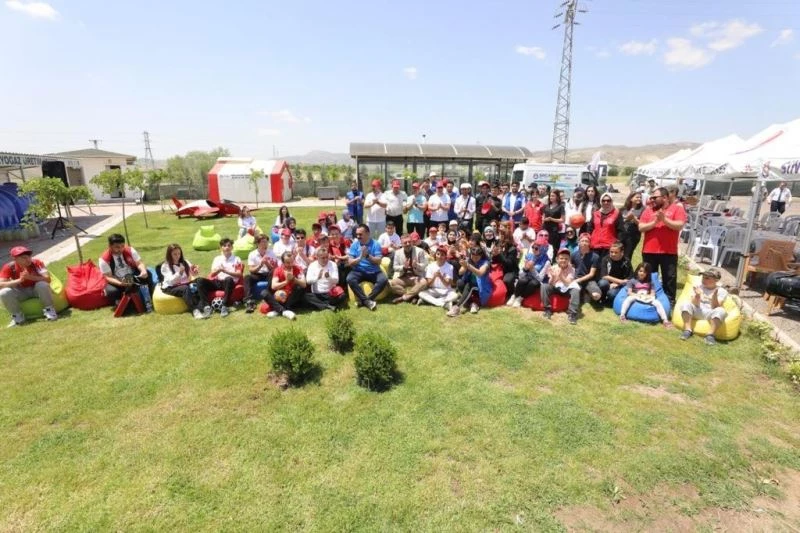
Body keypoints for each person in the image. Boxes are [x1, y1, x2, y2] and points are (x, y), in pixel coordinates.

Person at [638, 186, 686, 306]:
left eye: (655, 197)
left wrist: (664, 219)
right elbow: (641, 227)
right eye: (651, 197)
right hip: (649, 250)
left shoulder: (677, 209)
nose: (652, 199)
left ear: (664, 197)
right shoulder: (648, 210)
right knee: (649, 277)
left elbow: (679, 225)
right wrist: (655, 222)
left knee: (669, 278)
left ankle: (669, 302)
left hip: (668, 251)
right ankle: (649, 299)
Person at [0, 246, 57, 326]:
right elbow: (1, 284)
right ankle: (18, 317)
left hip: (36, 290)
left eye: (29, 256)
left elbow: (48, 279)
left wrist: (30, 277)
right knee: (4, 292)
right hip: (21, 291)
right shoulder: (9, 267)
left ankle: (50, 311)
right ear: (15, 259)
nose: (28, 259)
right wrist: (19, 280)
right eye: (24, 258)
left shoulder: (37, 263)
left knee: (42, 284)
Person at [99, 233, 153, 312]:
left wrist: (143, 271)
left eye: (122, 246)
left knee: (148, 274)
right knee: (111, 291)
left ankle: (150, 296)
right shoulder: (104, 259)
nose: (120, 249)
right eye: (117, 247)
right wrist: (121, 283)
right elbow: (108, 277)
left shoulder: (130, 250)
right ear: (110, 246)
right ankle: (122, 302)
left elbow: (139, 263)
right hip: (118, 280)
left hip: (132, 276)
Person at [159, 243, 212, 319]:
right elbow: (171, 281)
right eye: (175, 254)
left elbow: (193, 273)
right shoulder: (165, 266)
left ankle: (205, 306)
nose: (177, 256)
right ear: (169, 255)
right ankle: (195, 311)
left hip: (185, 283)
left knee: (200, 281)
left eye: (179, 253)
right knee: (185, 288)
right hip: (171, 287)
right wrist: (180, 273)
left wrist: (195, 270)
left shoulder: (185, 262)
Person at [679, 268, 728, 345]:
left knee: (721, 311)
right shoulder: (698, 286)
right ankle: (687, 330)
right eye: (703, 277)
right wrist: (697, 295)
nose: (704, 280)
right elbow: (694, 303)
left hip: (710, 313)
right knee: (685, 304)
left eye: (707, 278)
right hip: (698, 310)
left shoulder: (721, 291)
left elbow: (715, 307)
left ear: (716, 280)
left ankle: (710, 335)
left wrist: (714, 296)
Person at [346, 224, 388, 310]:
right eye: (357, 234)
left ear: (368, 233)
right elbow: (350, 262)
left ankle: (365, 300)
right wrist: (360, 257)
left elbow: (378, 261)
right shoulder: (354, 244)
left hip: (374, 271)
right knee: (350, 279)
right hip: (359, 271)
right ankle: (367, 301)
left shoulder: (376, 244)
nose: (358, 236)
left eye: (360, 234)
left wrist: (368, 256)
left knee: (383, 280)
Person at [619, 262, 671, 327]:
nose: (642, 273)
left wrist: (648, 296)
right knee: (628, 299)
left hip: (646, 297)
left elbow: (653, 293)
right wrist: (637, 295)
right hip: (636, 296)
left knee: (657, 303)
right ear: (637, 271)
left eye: (644, 272)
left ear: (647, 273)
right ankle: (622, 315)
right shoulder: (632, 281)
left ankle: (665, 320)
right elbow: (629, 292)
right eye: (640, 271)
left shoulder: (650, 282)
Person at [541, 248, 581, 324]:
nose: (563, 260)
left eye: (566, 258)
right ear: (557, 259)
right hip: (556, 287)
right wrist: (553, 277)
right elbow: (551, 284)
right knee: (544, 286)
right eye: (561, 258)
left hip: (566, 288)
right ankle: (547, 310)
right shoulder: (553, 268)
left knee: (575, 290)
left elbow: (568, 283)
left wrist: (560, 275)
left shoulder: (572, 269)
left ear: (569, 260)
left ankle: (572, 314)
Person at [448, 246, 491, 317]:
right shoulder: (469, 260)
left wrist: (468, 266)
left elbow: (480, 273)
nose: (474, 259)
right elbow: (460, 272)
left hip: (481, 287)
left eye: (476, 257)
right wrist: (464, 266)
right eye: (473, 257)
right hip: (469, 284)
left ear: (481, 256)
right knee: (459, 282)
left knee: (469, 285)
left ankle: (457, 307)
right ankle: (473, 304)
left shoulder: (485, 262)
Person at [263, 251, 306, 320]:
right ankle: (284, 311)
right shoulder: (278, 270)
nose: (290, 264)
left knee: (300, 288)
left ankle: (278, 310)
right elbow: (273, 286)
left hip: (291, 297)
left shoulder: (298, 268)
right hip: (279, 296)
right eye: (288, 263)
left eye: (292, 262)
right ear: (283, 262)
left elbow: (304, 284)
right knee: (264, 293)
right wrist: (286, 282)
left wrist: (294, 279)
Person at [507, 240, 550, 307]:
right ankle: (514, 295)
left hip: (537, 280)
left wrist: (532, 269)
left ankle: (520, 298)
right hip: (527, 277)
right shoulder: (529, 256)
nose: (534, 250)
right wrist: (525, 269)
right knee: (522, 280)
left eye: (536, 248)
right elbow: (520, 275)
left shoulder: (546, 261)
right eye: (533, 247)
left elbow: (540, 279)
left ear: (543, 249)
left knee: (533, 283)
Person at [208, 237, 242, 317]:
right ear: (221, 248)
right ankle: (206, 306)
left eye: (229, 245)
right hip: (218, 282)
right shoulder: (217, 259)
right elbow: (212, 274)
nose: (227, 247)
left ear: (232, 247)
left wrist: (225, 271)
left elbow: (239, 274)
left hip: (230, 283)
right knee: (200, 281)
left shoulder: (236, 259)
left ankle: (224, 306)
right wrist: (219, 270)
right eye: (224, 246)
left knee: (228, 279)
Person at [389, 233, 428, 303]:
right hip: (404, 276)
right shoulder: (397, 253)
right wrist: (403, 267)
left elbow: (424, 266)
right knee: (392, 283)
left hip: (416, 276)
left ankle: (404, 297)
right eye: (405, 242)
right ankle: (413, 296)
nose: (408, 244)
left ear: (412, 242)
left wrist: (416, 265)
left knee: (424, 282)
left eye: (409, 242)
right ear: (401, 244)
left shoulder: (420, 251)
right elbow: (395, 267)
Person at [244, 235, 278, 313]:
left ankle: (268, 296)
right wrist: (260, 264)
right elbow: (251, 270)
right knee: (247, 277)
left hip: (268, 273)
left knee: (272, 273)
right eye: (263, 242)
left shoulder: (272, 253)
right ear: (257, 243)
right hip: (257, 274)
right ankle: (249, 301)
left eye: (266, 241)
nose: (265, 243)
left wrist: (267, 263)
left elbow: (275, 269)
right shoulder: (252, 254)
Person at [588, 192, 623, 260]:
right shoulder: (595, 214)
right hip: (595, 246)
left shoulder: (616, 214)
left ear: (611, 201)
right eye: (603, 200)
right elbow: (590, 229)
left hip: (609, 247)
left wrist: (617, 244)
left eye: (608, 200)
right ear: (601, 202)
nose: (606, 202)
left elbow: (621, 231)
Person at [571, 233, 602, 304]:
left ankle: (587, 293)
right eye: (582, 241)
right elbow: (572, 269)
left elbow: (591, 274)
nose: (584, 243)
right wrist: (573, 279)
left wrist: (579, 280)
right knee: (573, 293)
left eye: (586, 241)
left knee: (597, 296)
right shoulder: (573, 255)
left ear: (589, 243)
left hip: (589, 281)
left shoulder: (595, 256)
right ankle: (583, 293)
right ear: (579, 242)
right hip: (576, 279)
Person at [493, 222, 519, 298]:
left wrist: (499, 254)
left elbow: (509, 264)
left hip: (510, 271)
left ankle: (512, 293)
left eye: (501, 235)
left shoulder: (512, 249)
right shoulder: (498, 244)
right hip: (500, 269)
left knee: (507, 280)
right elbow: (495, 261)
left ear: (506, 237)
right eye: (499, 234)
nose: (499, 237)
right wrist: (494, 255)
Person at [620, 191, 645, 261]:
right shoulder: (623, 209)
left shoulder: (643, 209)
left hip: (633, 235)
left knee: (627, 255)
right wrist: (626, 219)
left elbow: (642, 224)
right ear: (631, 198)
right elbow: (619, 222)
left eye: (640, 197)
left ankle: (626, 267)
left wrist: (633, 218)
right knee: (619, 253)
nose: (639, 199)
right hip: (622, 234)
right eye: (637, 197)